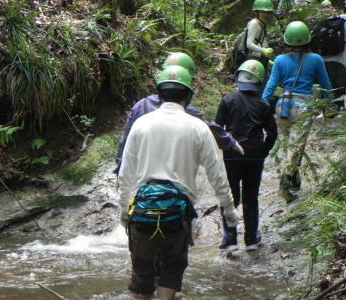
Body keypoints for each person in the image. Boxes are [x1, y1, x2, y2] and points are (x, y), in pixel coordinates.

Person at [118, 65, 239, 300]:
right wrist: (229, 209)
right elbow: (217, 174)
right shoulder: (198, 128)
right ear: (188, 96)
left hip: (142, 211)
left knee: (141, 277)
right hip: (177, 213)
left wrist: (124, 211)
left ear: (159, 94)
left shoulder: (141, 124)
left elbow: (126, 174)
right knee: (171, 272)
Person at [114, 52, 244, 175]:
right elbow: (208, 129)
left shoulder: (141, 105)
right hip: (173, 175)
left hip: (142, 174)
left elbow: (126, 141)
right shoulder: (186, 111)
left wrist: (120, 169)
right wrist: (230, 142)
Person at [262, 21, 332, 202]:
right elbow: (326, 85)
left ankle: (295, 179)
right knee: (295, 146)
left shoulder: (279, 60)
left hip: (282, 107)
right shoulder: (315, 59)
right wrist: (330, 105)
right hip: (303, 108)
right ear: (308, 40)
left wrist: (260, 105)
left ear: (287, 41)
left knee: (289, 144)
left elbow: (270, 86)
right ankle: (284, 185)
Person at [215, 60, 278, 254]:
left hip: (232, 157)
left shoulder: (227, 100)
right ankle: (251, 239)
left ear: (238, 79)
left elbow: (217, 129)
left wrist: (225, 148)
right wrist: (263, 150)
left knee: (231, 197)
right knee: (251, 197)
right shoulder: (264, 105)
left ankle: (230, 241)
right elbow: (272, 133)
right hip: (254, 158)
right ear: (259, 83)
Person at [246, 0, 275, 69]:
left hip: (259, 59)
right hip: (252, 61)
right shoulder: (254, 23)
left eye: (268, 12)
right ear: (257, 12)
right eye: (263, 12)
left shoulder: (261, 24)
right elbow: (249, 44)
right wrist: (263, 51)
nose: (266, 15)